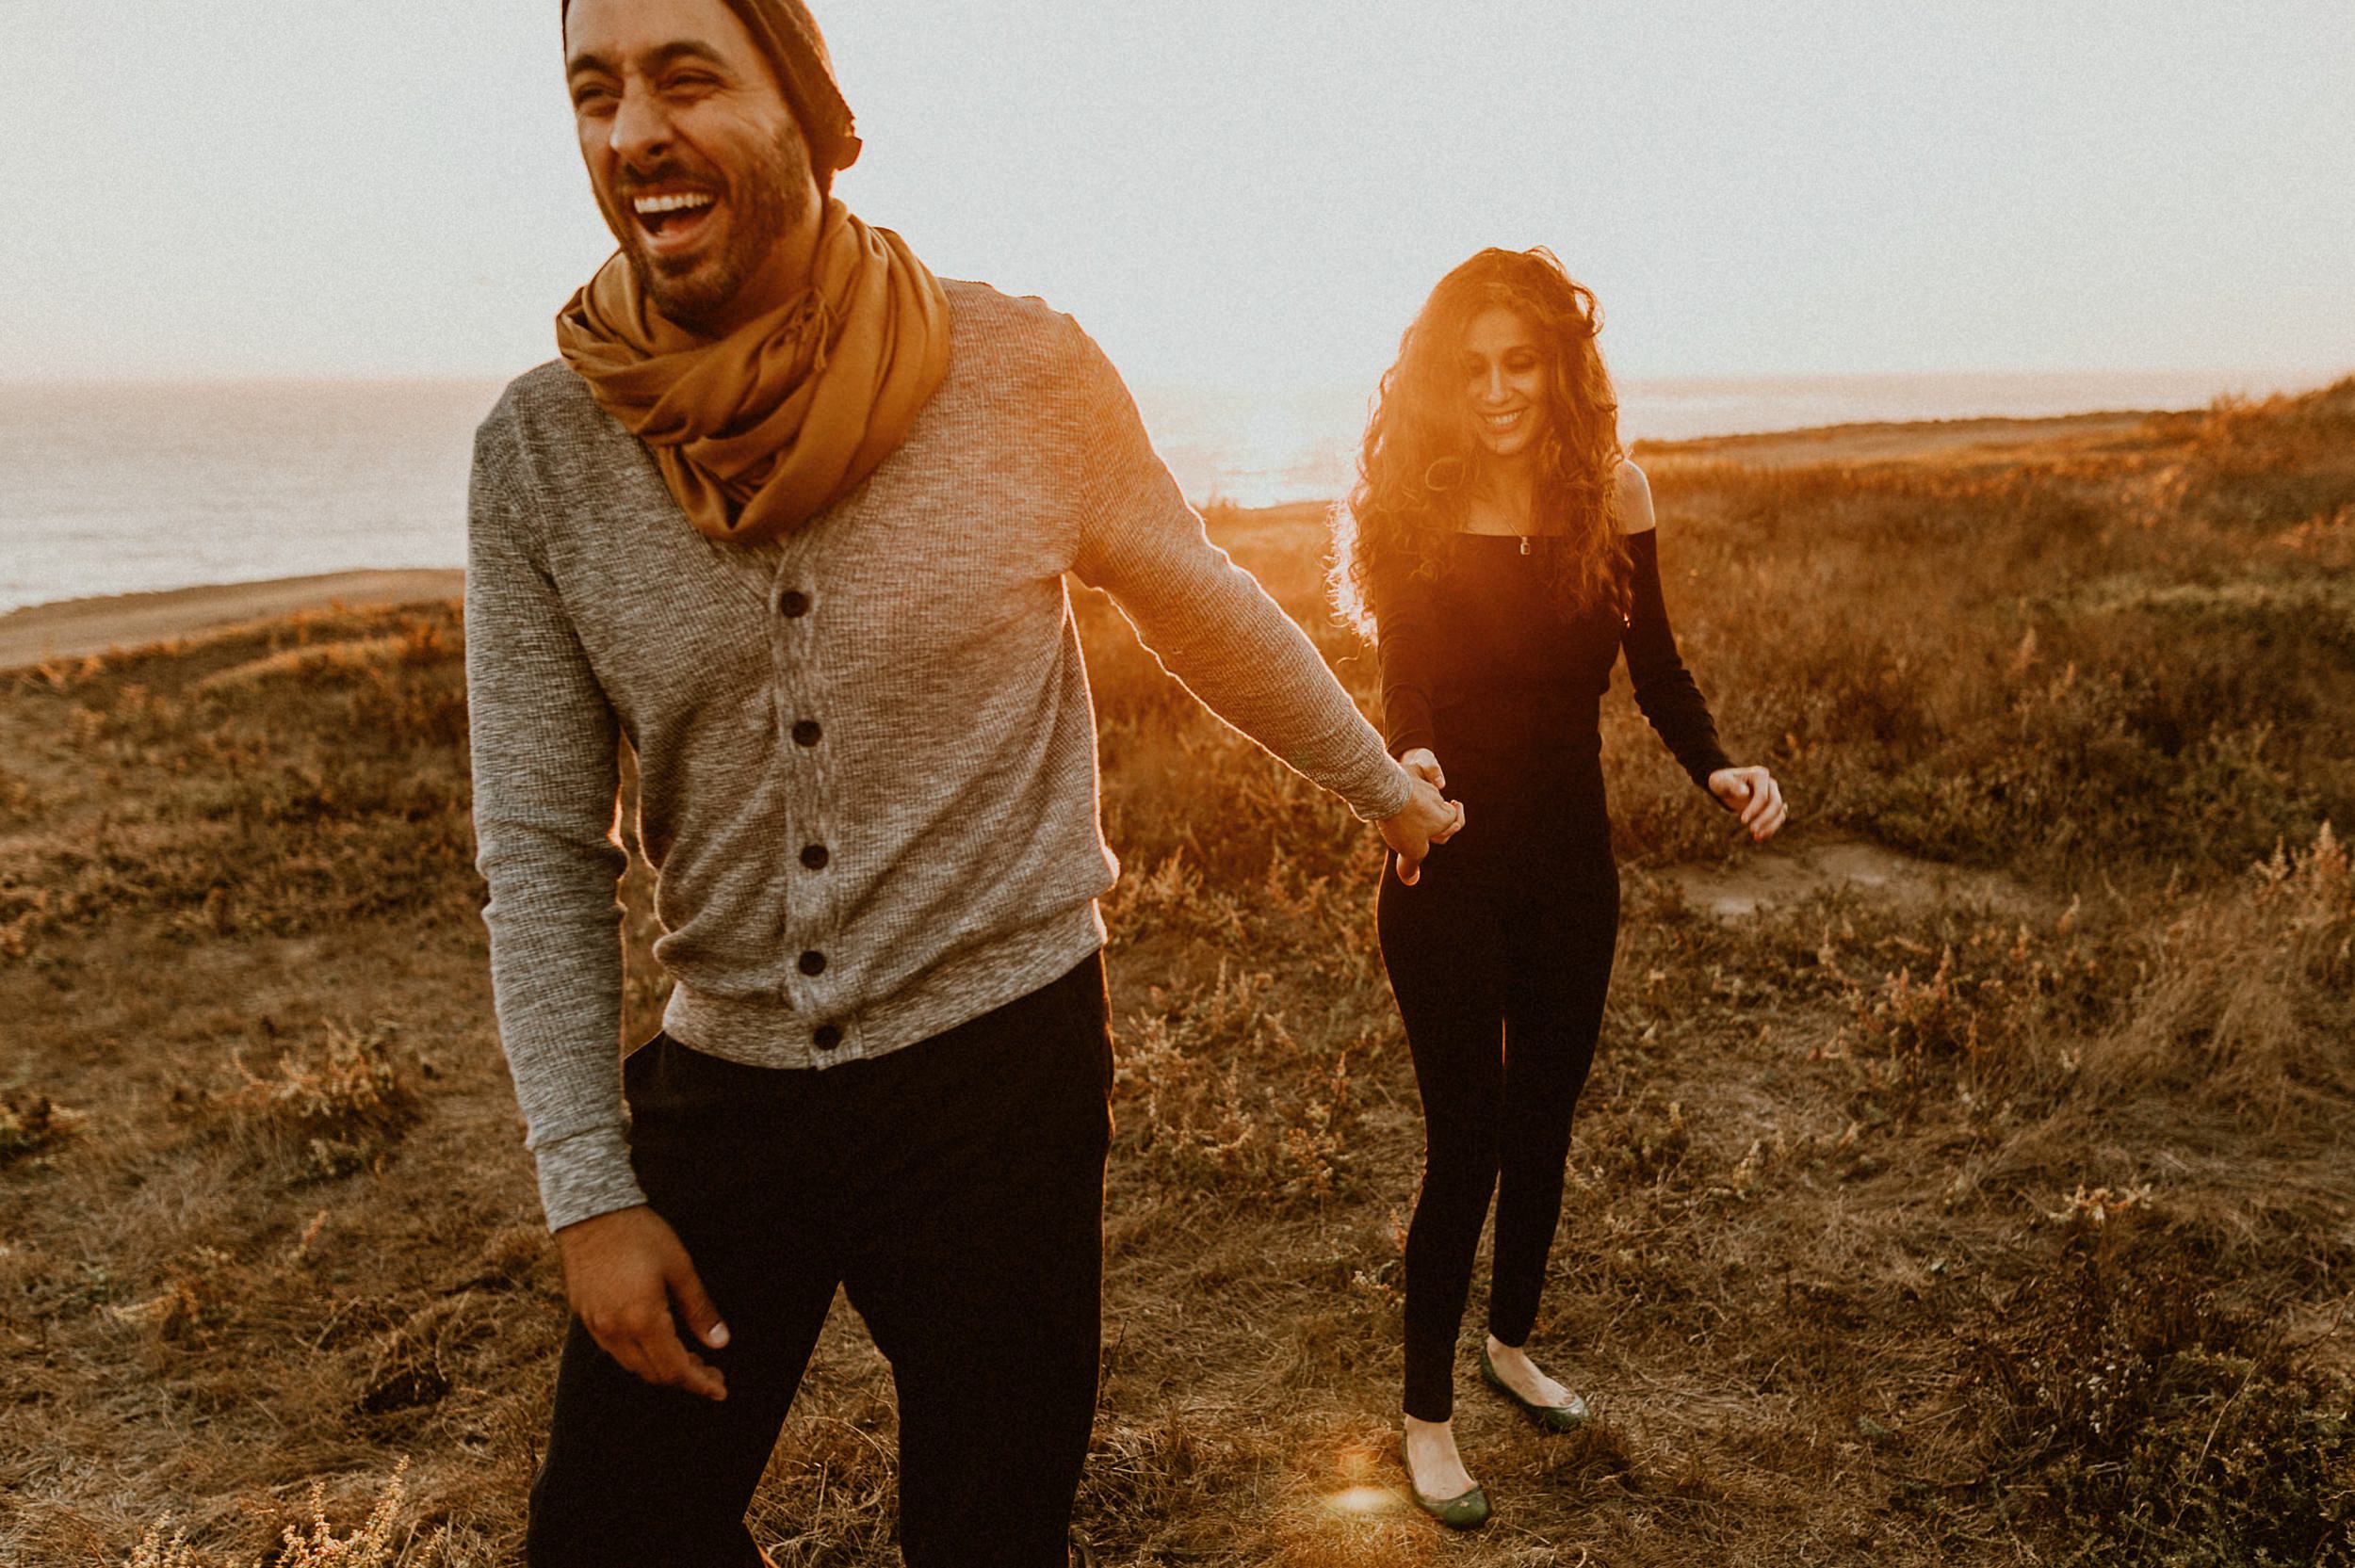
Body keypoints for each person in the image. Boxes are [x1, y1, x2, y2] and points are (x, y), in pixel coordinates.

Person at [464, 2, 1463, 1564]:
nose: (632, 129)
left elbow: (1194, 598)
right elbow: (535, 846)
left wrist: (1380, 787)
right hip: (725, 1085)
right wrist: (591, 1194)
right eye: (594, 90)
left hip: (1002, 1071)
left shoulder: (1019, 369)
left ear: (805, 110)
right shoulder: (538, 451)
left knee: (991, 1535)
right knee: (607, 1533)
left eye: (685, 76)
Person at [1328, 247, 1787, 1528]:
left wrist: (1719, 766)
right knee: (1465, 1139)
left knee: (1546, 1122)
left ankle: (1512, 1343)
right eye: (1468, 366)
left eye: (1517, 361)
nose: (1494, 388)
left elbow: (1660, 670)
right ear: (1437, 377)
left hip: (1575, 870)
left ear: (1559, 364)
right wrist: (1407, 764)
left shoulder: (1613, 495)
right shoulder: (1416, 500)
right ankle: (1426, 1417)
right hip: (1450, 857)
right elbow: (1407, 682)